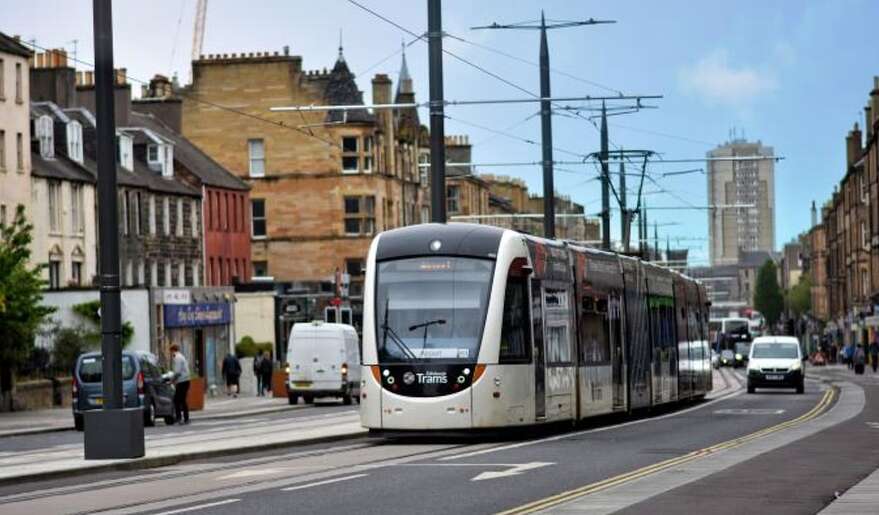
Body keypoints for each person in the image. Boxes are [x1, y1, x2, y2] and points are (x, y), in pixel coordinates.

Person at [169, 344, 191, 425]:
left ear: (172, 350)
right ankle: (186, 418)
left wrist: (172, 380)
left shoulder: (177, 358)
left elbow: (177, 372)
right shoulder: (181, 356)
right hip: (185, 380)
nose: (170, 354)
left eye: (170, 351)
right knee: (182, 400)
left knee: (177, 400)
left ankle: (180, 418)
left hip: (182, 381)